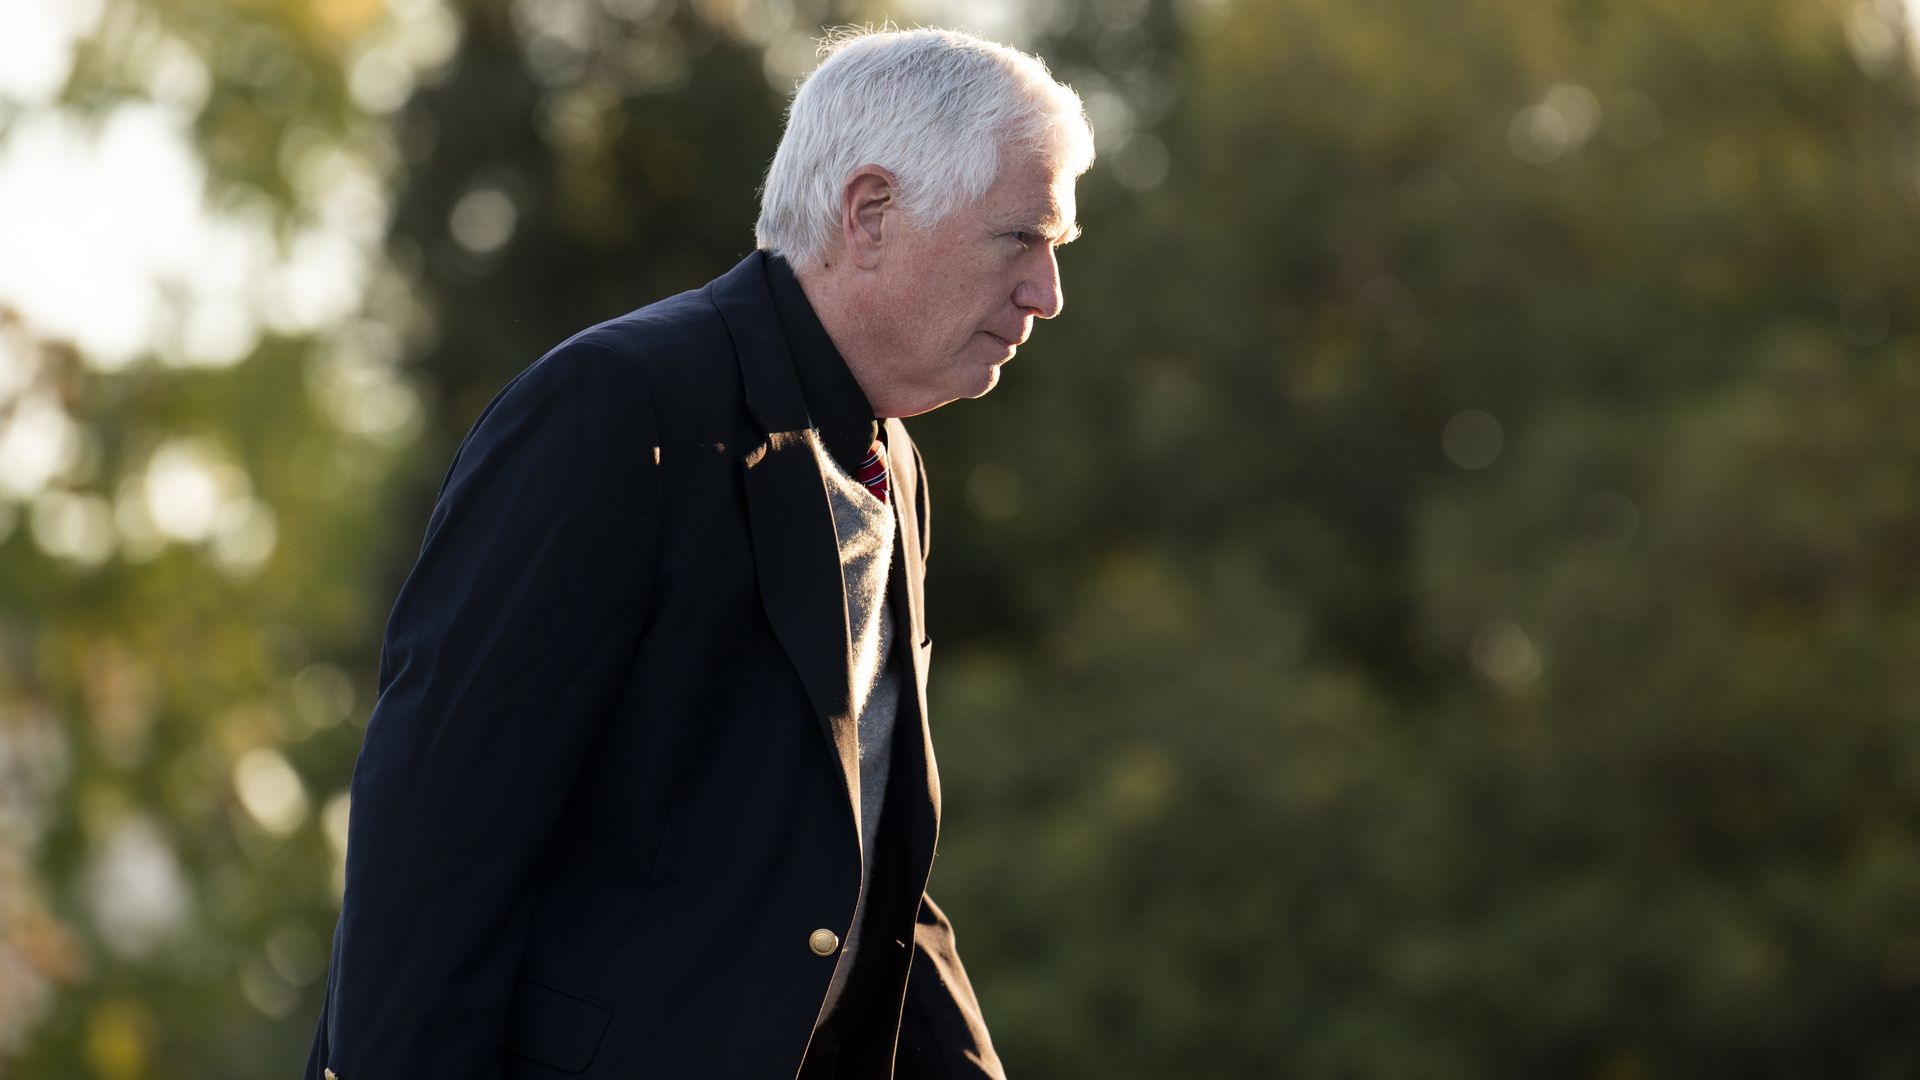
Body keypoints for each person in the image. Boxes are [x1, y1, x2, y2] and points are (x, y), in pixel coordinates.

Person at [305, 25, 1093, 1080]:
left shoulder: (891, 462)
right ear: (869, 213)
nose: (1047, 291)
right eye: (1022, 239)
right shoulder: (617, 405)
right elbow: (438, 829)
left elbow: (861, 881)